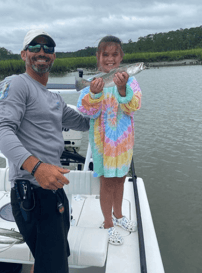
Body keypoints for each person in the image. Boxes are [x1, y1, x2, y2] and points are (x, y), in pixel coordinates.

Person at [0, 29, 90, 273]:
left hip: (54, 191)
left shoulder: (54, 98)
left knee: (50, 261)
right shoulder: (16, 84)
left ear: (54, 56)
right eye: (34, 47)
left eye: (48, 48)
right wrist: (36, 167)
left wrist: (110, 95)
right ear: (24, 54)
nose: (42, 52)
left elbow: (86, 124)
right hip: (33, 195)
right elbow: (1, 131)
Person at [77, 35, 142, 245]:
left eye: (115, 54)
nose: (110, 58)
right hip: (102, 144)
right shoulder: (94, 83)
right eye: (106, 54)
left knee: (121, 179)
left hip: (123, 144)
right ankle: (107, 223)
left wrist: (123, 90)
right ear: (98, 57)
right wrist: (94, 94)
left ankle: (119, 215)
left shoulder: (131, 81)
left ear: (122, 57)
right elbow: (86, 111)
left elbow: (134, 107)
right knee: (107, 183)